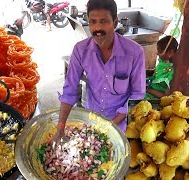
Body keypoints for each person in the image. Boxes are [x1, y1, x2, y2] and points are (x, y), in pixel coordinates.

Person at [53, 0, 146, 144]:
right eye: (93, 22)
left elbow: (137, 95)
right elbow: (70, 90)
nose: (97, 28)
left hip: (120, 126)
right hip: (91, 120)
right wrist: (60, 126)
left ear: (115, 23)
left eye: (104, 21)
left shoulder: (134, 52)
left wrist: (111, 126)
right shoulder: (80, 50)